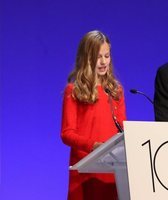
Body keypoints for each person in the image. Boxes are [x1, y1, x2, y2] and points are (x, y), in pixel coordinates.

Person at [61, 30, 126, 200]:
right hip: (85, 170)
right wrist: (94, 146)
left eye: (107, 55)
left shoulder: (116, 91)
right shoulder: (74, 90)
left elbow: (123, 132)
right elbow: (66, 134)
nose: (104, 62)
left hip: (111, 169)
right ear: (87, 58)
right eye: (98, 57)